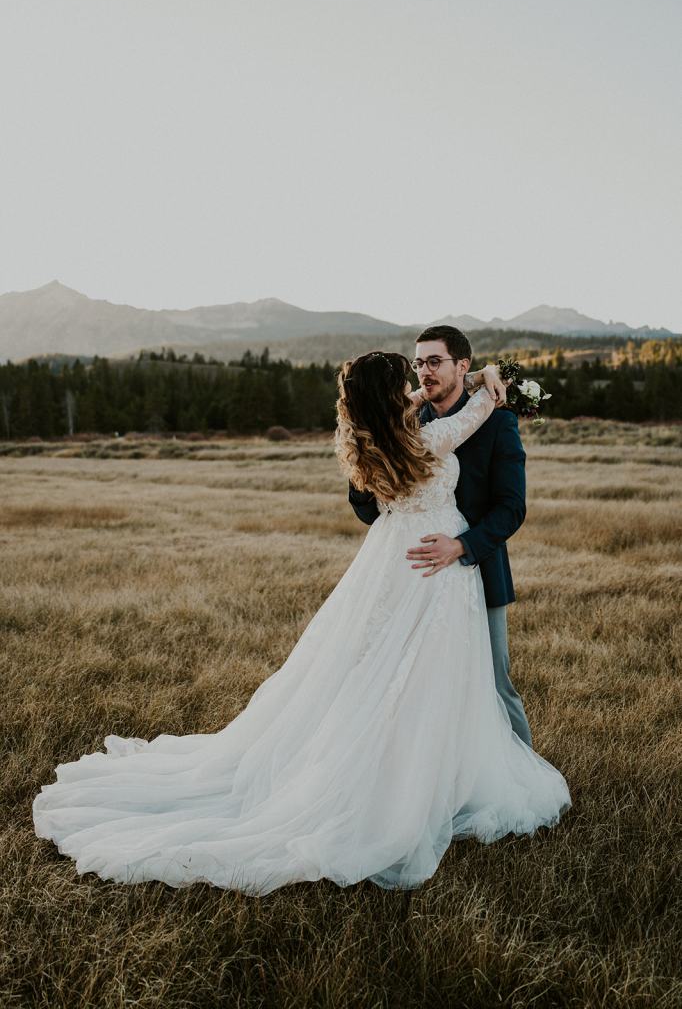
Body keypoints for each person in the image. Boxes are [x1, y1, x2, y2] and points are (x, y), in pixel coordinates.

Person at [33, 352, 570, 896]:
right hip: (429, 565)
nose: (417, 381)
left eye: (427, 367)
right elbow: (478, 410)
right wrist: (490, 379)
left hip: (400, 562)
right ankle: (413, 786)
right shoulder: (427, 438)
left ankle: (439, 776)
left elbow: (481, 473)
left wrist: (468, 378)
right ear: (392, 393)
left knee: (404, 675)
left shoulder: (375, 434)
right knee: (419, 676)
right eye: (408, 374)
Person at [350, 325, 533, 747]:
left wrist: (462, 545)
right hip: (411, 577)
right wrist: (365, 466)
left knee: (492, 682)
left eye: (435, 362)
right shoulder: (403, 423)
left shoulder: (498, 423)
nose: (424, 372)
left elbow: (511, 508)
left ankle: (520, 770)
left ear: (461, 365)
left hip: (479, 569)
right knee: (415, 685)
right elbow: (367, 512)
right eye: (418, 363)